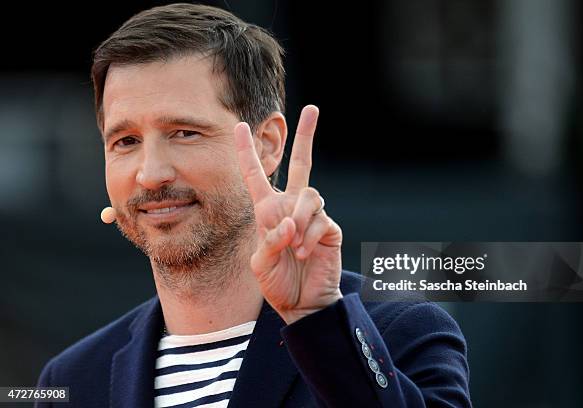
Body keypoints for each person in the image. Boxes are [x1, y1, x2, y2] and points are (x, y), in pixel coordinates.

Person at [36, 3, 471, 407]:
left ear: (268, 145)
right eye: (126, 141)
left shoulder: (401, 333)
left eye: (185, 132)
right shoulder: (73, 379)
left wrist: (317, 322)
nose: (151, 174)